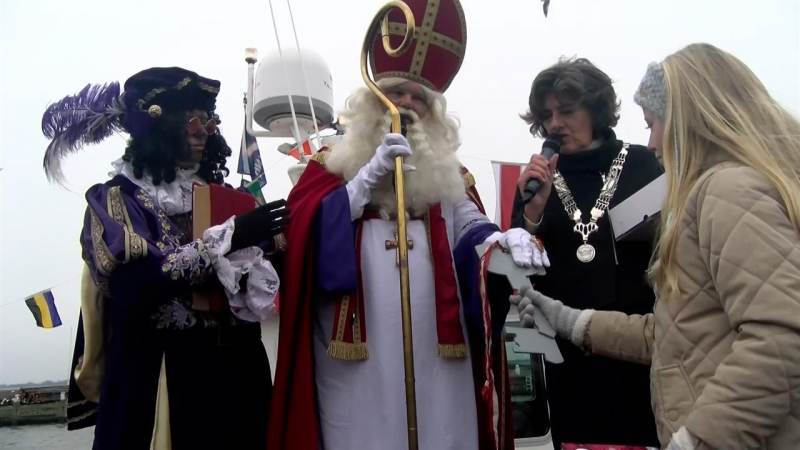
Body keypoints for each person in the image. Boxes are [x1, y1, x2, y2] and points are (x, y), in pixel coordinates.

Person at [268, 1, 548, 449]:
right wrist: (364, 183)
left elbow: (471, 228)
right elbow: (301, 239)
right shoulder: (329, 166)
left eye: (419, 98)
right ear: (372, 100)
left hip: (439, 354)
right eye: (397, 92)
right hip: (355, 363)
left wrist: (503, 238)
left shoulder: (448, 175)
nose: (407, 104)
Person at [517, 43, 800, 449]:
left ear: (688, 117)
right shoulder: (539, 182)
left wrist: (695, 441)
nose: (651, 142)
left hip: (688, 408)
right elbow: (674, 330)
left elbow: (781, 338)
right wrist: (566, 318)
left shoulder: (724, 188)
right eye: (547, 116)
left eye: (653, 123)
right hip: (602, 381)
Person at [42, 67, 288, 450]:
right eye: (192, 122)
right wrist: (225, 240)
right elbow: (136, 284)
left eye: (208, 122)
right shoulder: (117, 199)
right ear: (157, 128)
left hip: (237, 372)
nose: (202, 133)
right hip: (163, 374)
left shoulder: (230, 197)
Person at [510, 57, 663, 448]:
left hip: (639, 348)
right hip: (567, 359)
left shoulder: (644, 164)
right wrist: (531, 215)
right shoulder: (537, 182)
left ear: (595, 109)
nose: (555, 123)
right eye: (547, 115)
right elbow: (517, 273)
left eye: (566, 111)